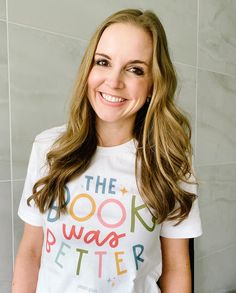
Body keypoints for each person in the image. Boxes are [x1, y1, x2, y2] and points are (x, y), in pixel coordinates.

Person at [12, 8, 202, 293]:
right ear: (88, 70)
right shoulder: (49, 148)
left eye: (135, 69)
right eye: (103, 62)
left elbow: (176, 268)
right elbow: (31, 252)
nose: (114, 81)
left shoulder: (170, 162)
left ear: (153, 85)